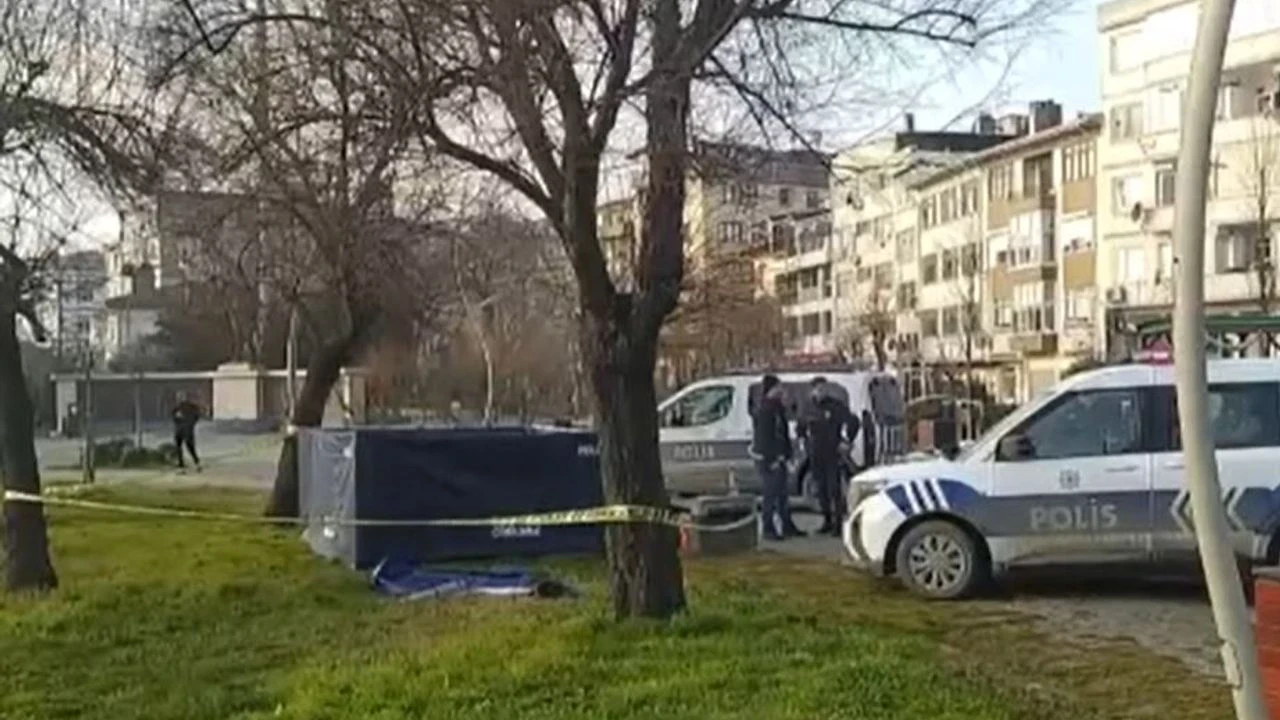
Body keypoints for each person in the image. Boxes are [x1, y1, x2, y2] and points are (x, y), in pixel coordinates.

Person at [801, 377, 860, 536]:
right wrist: (805, 442)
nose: (821, 392)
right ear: (812, 391)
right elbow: (801, 427)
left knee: (834, 489)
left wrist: (847, 441)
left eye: (823, 389)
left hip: (833, 452)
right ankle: (826, 521)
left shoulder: (835, 406)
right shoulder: (808, 408)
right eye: (818, 389)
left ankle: (838, 524)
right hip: (815, 453)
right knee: (821, 490)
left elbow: (853, 421)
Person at [750, 374, 803, 540]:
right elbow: (765, 437)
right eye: (779, 387)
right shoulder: (766, 410)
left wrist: (787, 455)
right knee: (770, 495)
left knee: (782, 494)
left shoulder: (777, 409)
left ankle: (786, 524)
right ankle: (768, 528)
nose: (782, 390)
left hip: (779, 458)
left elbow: (783, 435)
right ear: (772, 389)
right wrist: (772, 458)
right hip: (769, 459)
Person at [171, 392, 202, 472]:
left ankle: (197, 463)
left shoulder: (191, 407)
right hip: (179, 430)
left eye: (181, 397)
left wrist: (191, 423)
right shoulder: (176, 408)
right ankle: (181, 466)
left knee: (190, 447)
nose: (180, 399)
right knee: (178, 448)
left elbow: (197, 415)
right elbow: (174, 417)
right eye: (178, 397)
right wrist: (177, 420)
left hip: (188, 430)